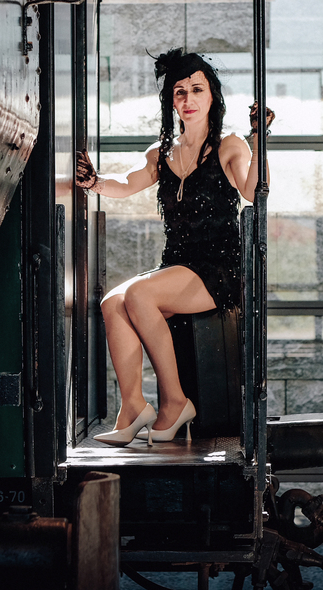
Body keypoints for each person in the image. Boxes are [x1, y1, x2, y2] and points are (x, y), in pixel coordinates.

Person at [75, 49, 272, 446]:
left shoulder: (229, 145)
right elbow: (127, 183)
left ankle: (175, 401)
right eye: (180, 92)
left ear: (212, 96)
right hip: (177, 265)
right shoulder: (162, 152)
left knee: (138, 294)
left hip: (218, 269)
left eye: (197, 89)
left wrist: (260, 139)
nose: (188, 99)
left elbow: (254, 192)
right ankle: (133, 407)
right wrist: (93, 182)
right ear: (172, 101)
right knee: (112, 303)